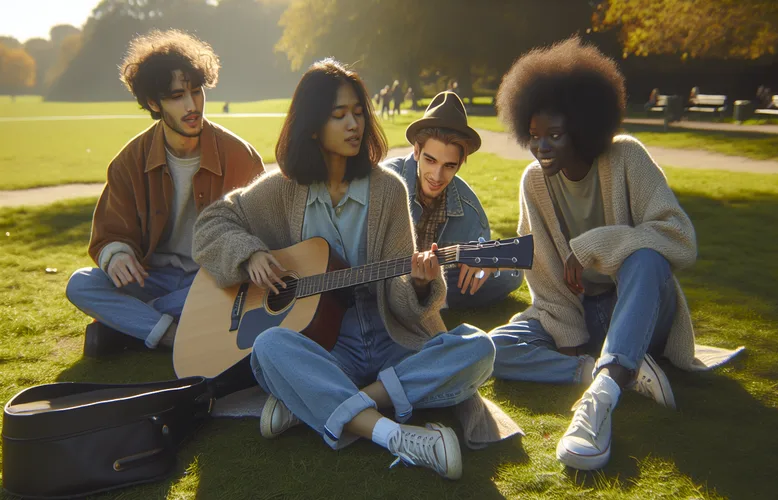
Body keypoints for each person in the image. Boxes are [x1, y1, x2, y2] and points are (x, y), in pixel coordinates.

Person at [192, 58, 497, 480]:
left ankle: (332, 402)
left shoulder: (388, 190)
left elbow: (404, 302)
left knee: (478, 349)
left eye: (358, 112)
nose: (355, 123)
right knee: (269, 348)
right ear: (313, 126)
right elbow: (210, 225)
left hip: (387, 331)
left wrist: (422, 286)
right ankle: (397, 436)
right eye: (339, 115)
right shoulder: (283, 189)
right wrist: (249, 254)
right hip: (326, 345)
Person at [491, 37, 708, 471]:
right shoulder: (534, 182)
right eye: (534, 137)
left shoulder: (626, 156)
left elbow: (680, 237)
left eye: (554, 135)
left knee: (647, 257)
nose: (542, 148)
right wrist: (570, 340)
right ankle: (608, 369)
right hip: (579, 313)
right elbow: (542, 270)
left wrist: (593, 247)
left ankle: (601, 398)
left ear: (584, 128)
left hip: (641, 304)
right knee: (491, 349)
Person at [65, 30, 265, 357]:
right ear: (153, 103)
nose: (191, 105)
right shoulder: (130, 161)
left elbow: (261, 237)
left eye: (196, 91)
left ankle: (132, 324)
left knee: (242, 289)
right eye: (176, 96)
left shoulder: (239, 155)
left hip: (210, 280)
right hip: (152, 277)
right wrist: (116, 255)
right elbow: (110, 232)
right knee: (81, 284)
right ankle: (172, 334)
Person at [383, 91, 522, 309]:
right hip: (383, 275)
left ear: (461, 162)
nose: (437, 177)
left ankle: (429, 298)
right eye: (430, 160)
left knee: (507, 276)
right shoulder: (387, 182)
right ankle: (424, 299)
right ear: (417, 151)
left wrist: (488, 264)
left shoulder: (469, 208)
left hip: (439, 278)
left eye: (449, 166)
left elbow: (505, 268)